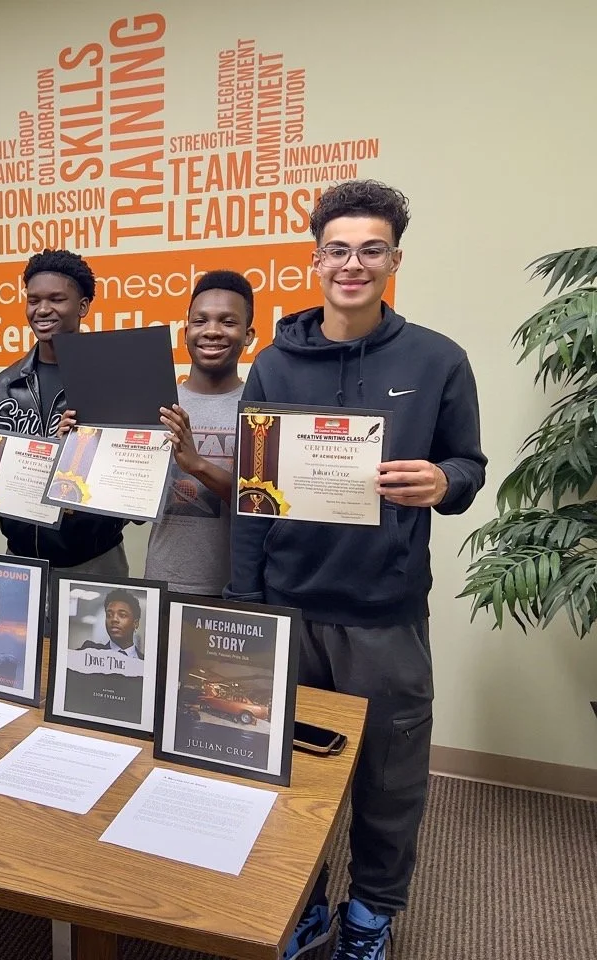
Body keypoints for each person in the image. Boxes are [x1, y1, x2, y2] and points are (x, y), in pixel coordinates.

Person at [225, 180, 486, 960]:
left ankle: (372, 914)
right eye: (338, 249)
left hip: (385, 612)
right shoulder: (272, 366)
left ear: (393, 259)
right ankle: (302, 903)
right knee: (283, 773)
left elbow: (468, 465)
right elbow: (251, 502)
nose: (353, 263)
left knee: (389, 779)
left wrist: (444, 484)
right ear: (316, 260)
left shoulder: (438, 359)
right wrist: (248, 605)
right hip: (290, 608)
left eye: (371, 250)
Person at [0, 249, 129, 576]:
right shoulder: (5, 384)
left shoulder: (112, 380)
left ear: (83, 306)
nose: (43, 309)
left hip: (94, 562)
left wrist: (75, 455)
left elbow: (133, 486)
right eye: (33, 300)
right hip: (19, 559)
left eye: (57, 299)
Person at [144, 270, 256, 595]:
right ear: (185, 331)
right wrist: (81, 447)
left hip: (233, 591)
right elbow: (130, 508)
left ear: (248, 335)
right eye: (200, 321)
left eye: (227, 322)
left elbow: (261, 504)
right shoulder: (158, 405)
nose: (212, 331)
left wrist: (199, 466)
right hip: (161, 583)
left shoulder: (257, 411)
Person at [79, 589, 142, 658]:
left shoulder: (144, 662)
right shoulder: (89, 651)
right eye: (109, 615)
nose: (114, 619)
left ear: (135, 623)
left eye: (122, 615)